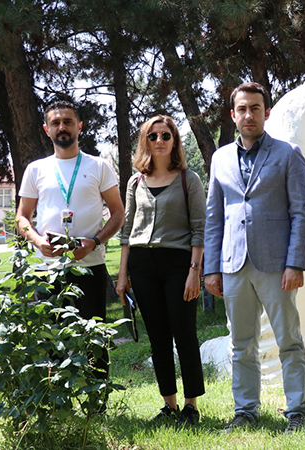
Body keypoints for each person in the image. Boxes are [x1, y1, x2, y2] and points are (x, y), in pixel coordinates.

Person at [204, 82, 305, 433]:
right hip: (233, 265)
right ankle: (245, 410)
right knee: (241, 344)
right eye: (242, 109)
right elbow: (213, 217)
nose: (248, 114)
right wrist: (211, 269)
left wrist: (295, 263)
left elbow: (301, 212)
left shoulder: (287, 153)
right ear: (233, 115)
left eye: (255, 108)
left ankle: (296, 410)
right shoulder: (220, 158)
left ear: (265, 112)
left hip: (276, 265)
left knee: (289, 341)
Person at [15, 100, 125, 390]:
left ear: (80, 126)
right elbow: (22, 217)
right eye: (55, 122)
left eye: (67, 121)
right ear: (46, 129)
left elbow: (118, 214)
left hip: (90, 265)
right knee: (51, 338)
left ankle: (96, 406)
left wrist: (95, 241)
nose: (62, 127)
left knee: (94, 338)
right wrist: (38, 241)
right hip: (48, 270)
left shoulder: (98, 166)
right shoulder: (36, 169)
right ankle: (56, 403)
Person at [116, 115, 206, 426]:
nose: (159, 141)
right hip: (142, 265)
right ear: (145, 141)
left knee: (184, 333)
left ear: (174, 141)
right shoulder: (135, 182)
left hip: (178, 265)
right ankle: (169, 404)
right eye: (152, 136)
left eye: (165, 135)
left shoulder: (188, 179)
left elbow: (199, 230)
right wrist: (123, 275)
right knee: (158, 337)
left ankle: (191, 406)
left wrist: (195, 272)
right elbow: (126, 231)